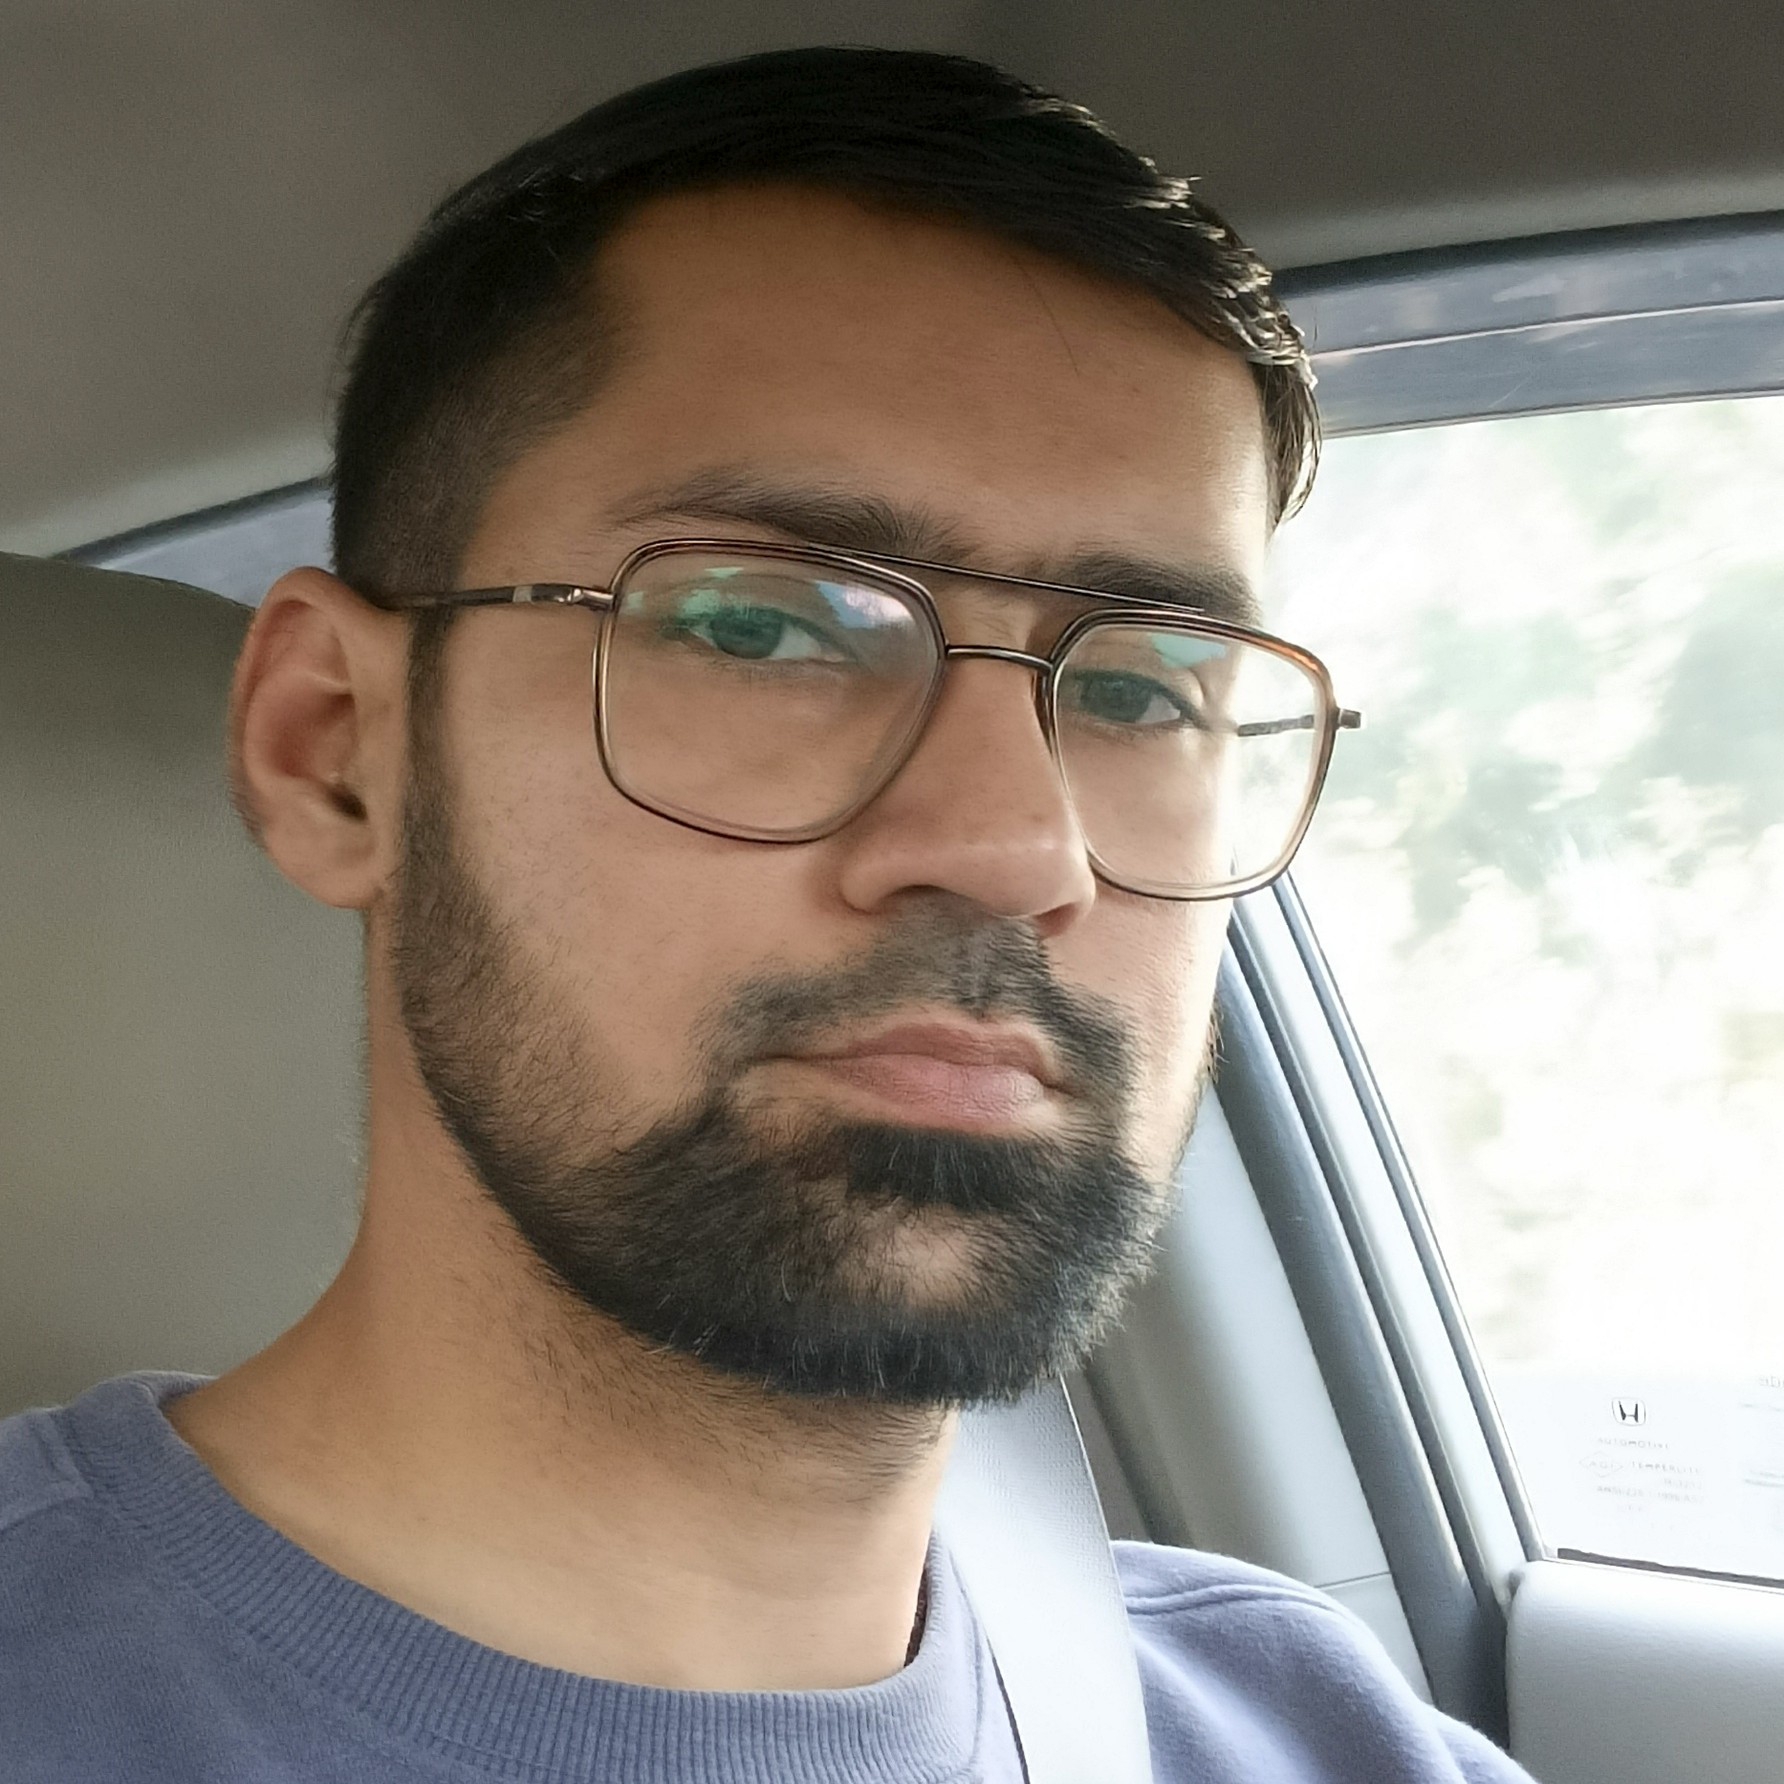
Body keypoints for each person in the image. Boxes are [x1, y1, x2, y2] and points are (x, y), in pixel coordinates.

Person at [0, 46, 1534, 1783]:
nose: (1017, 847)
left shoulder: (1326, 1736)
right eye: (762, 625)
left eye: (1143, 688)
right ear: (335, 750)